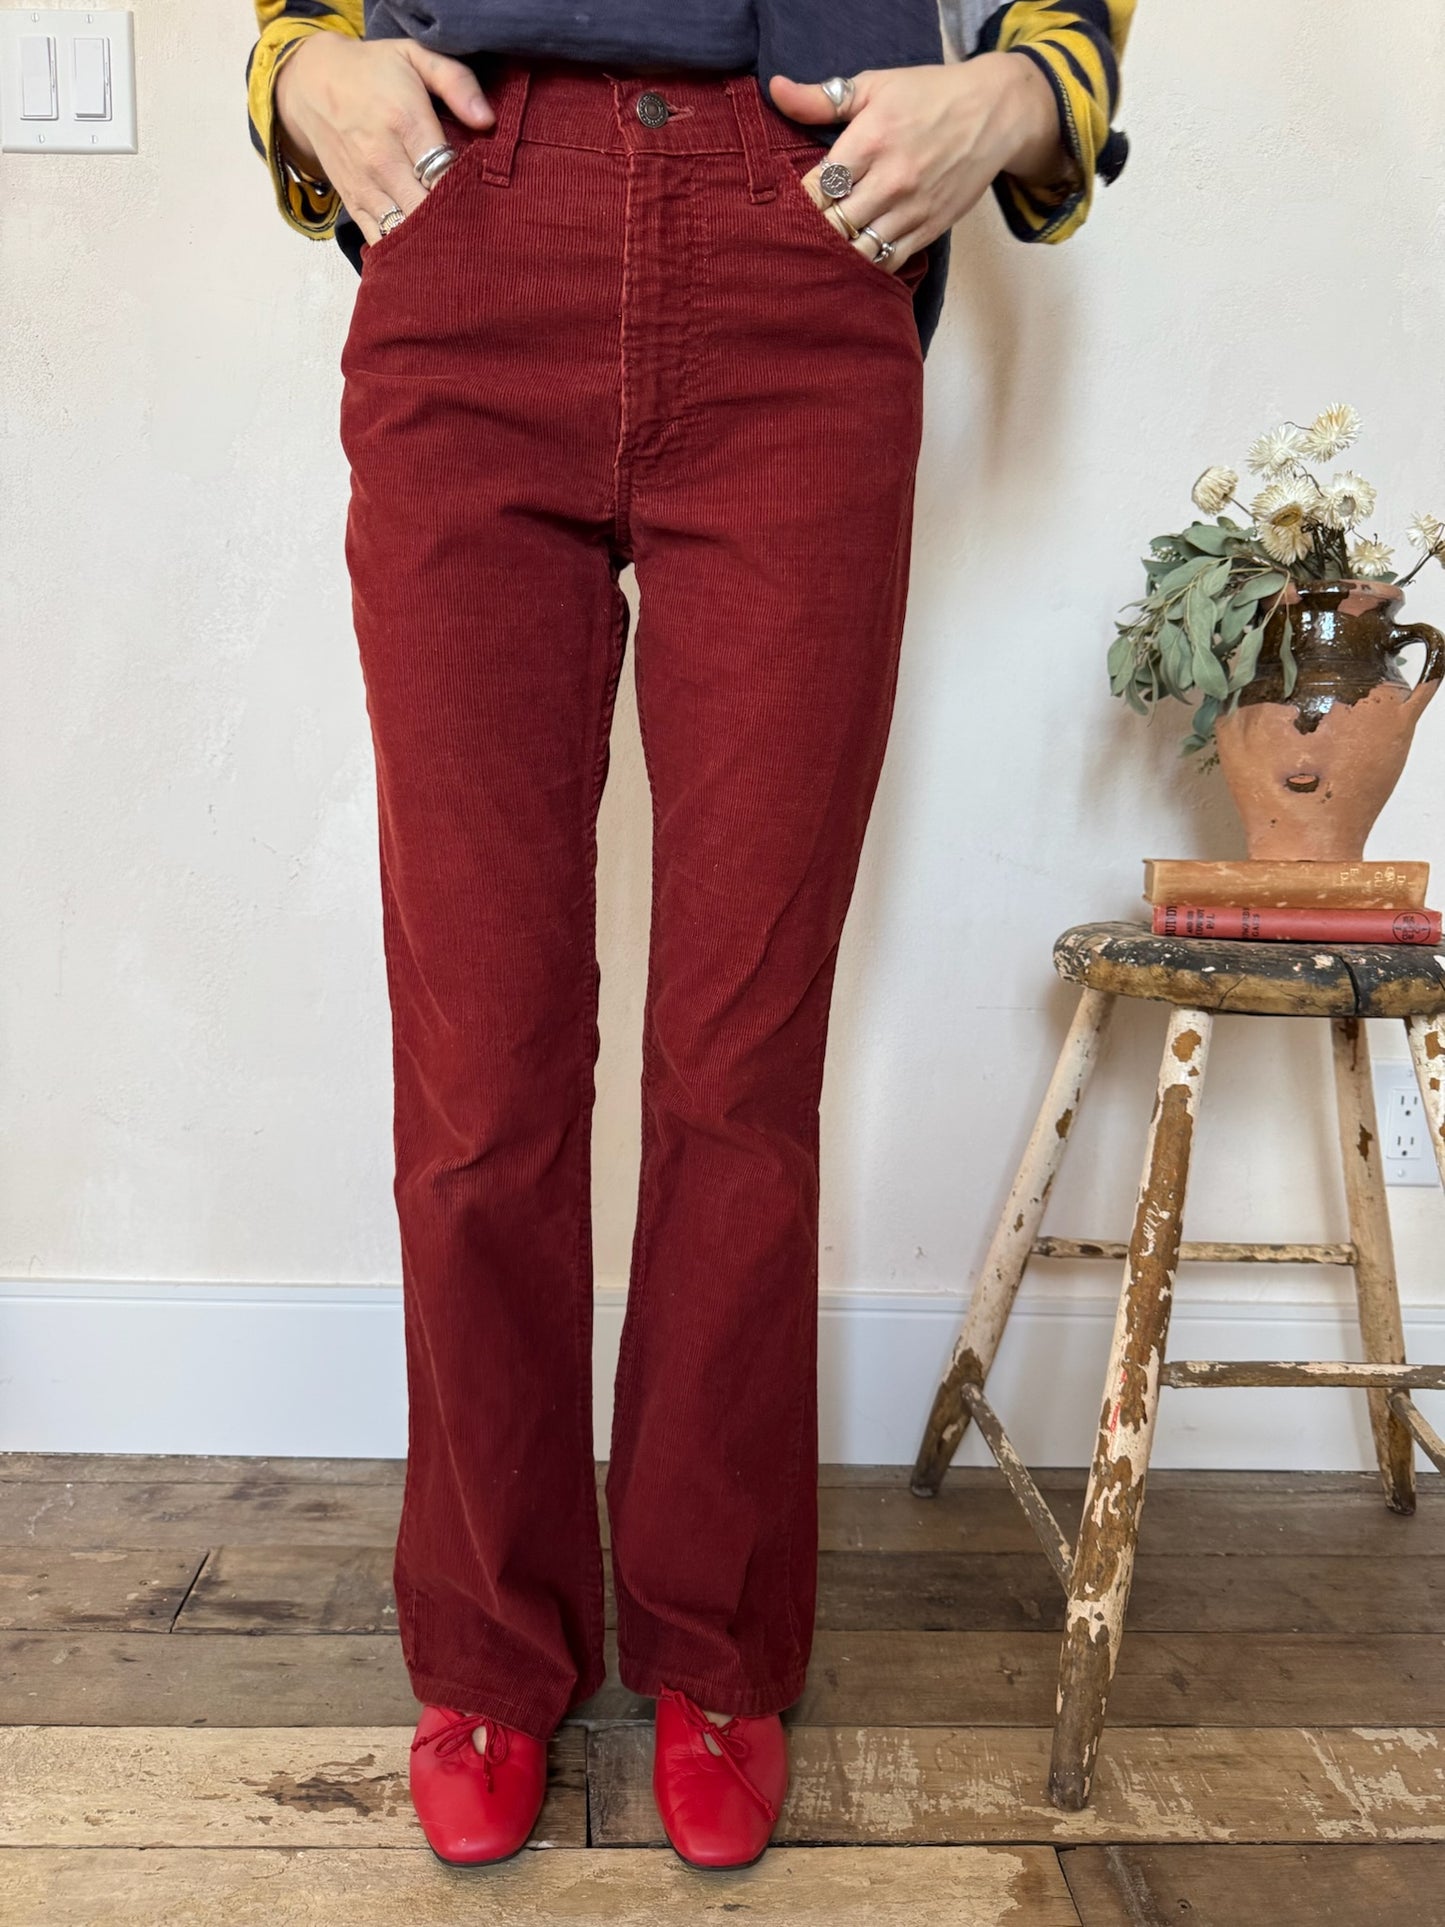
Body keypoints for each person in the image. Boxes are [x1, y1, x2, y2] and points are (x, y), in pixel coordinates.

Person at [244, 0, 1134, 1874]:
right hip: (472, 219)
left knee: (738, 1064)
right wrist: (298, 59)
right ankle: (487, 1644)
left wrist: (1026, 88)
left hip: (799, 234)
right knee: (478, 1064)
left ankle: (715, 1645)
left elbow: (1050, 53)